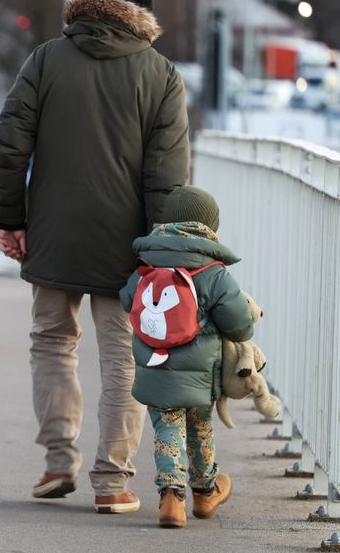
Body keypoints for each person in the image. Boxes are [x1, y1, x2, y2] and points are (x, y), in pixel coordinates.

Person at [0, 0, 190, 513]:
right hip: (127, 243)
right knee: (125, 358)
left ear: (94, 3)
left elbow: (12, 143)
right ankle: (112, 481)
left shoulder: (46, 59)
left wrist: (11, 217)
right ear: (144, 13)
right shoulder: (161, 74)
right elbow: (167, 175)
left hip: (53, 230)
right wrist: (161, 249)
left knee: (52, 342)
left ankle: (58, 461)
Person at [119, 185, 252, 528]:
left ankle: (171, 498)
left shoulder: (146, 264)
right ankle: (206, 492)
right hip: (200, 373)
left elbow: (126, 299)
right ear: (209, 226)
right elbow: (239, 324)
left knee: (167, 426)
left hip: (156, 365)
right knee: (200, 428)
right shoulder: (213, 271)